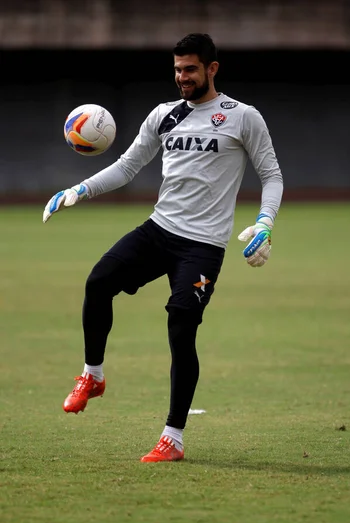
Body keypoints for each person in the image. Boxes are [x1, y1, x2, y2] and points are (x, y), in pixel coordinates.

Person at [43, 33, 283, 463]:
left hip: (203, 247)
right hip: (160, 230)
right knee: (98, 281)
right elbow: (127, 167)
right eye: (177, 69)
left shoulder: (243, 117)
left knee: (181, 325)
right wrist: (79, 189)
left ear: (212, 69)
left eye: (190, 69)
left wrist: (265, 223)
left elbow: (272, 175)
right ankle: (92, 376)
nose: (182, 77)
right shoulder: (163, 116)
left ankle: (172, 437)